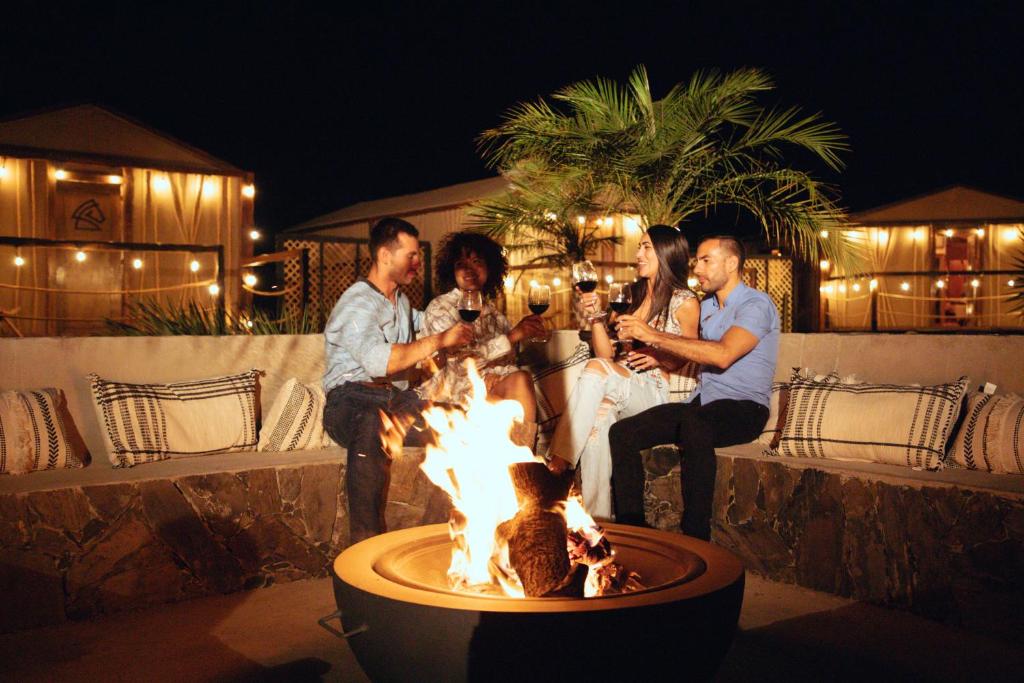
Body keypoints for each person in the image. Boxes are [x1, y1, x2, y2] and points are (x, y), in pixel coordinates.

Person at [610, 234, 779, 541]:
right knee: (622, 432)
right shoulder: (708, 306)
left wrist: (654, 336)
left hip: (744, 408)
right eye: (696, 260)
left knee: (694, 423)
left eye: (706, 260)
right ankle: (632, 529)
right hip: (701, 403)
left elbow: (723, 354)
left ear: (731, 263)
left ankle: (696, 537)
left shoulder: (756, 304)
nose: (697, 268)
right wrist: (655, 354)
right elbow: (687, 348)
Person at [322, 217, 474, 543]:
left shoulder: (401, 302)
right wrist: (439, 341)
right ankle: (364, 545)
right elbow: (382, 361)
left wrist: (465, 309)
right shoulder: (357, 303)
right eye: (412, 255)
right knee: (371, 421)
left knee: (462, 421)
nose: (418, 262)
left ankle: (448, 533)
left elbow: (433, 323)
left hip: (398, 402)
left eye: (418, 255)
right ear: (385, 256)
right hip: (351, 401)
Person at [547, 225, 700, 519]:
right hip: (624, 384)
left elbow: (690, 352)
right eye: (639, 247)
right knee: (599, 421)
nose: (637, 254)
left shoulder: (684, 301)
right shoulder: (631, 295)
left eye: (646, 248)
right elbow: (607, 355)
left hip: (658, 394)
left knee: (594, 369)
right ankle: (599, 521)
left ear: (666, 253)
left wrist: (658, 355)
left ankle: (560, 462)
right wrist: (594, 316)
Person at [417, 231, 546, 448]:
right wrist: (512, 336)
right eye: (461, 264)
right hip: (448, 397)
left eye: (477, 261)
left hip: (484, 396)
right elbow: (458, 364)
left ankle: (525, 464)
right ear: (452, 270)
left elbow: (508, 364)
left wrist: (496, 373)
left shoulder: (496, 317)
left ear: (490, 267)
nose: (469, 270)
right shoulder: (441, 308)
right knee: (508, 400)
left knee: (521, 379)